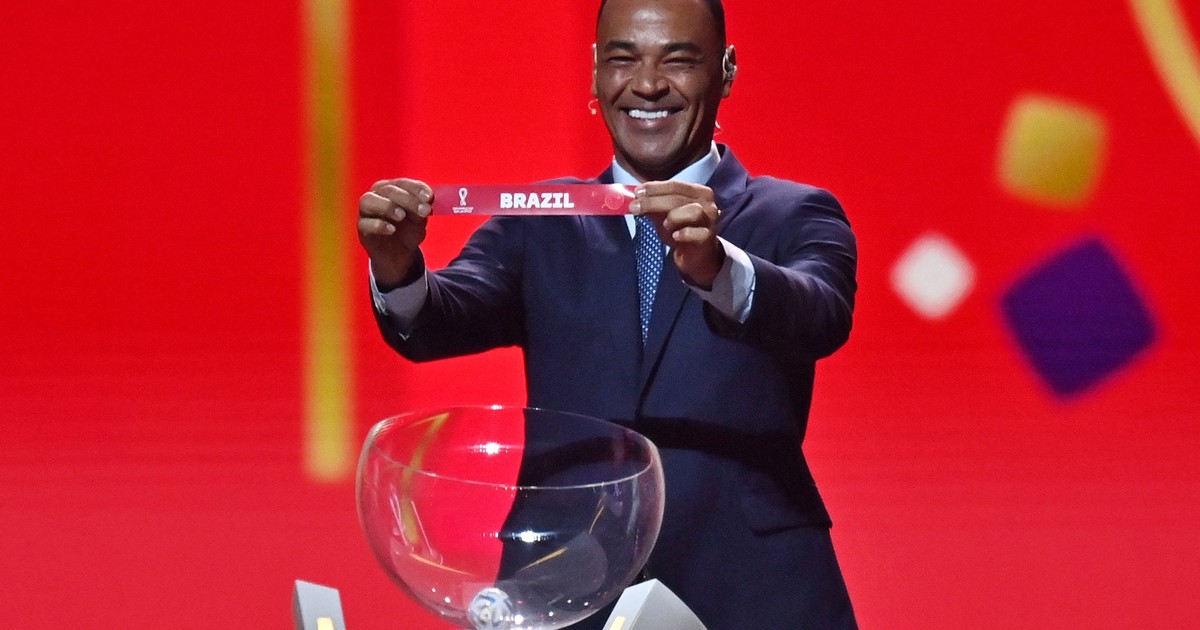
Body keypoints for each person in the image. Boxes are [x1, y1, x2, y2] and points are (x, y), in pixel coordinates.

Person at [356, 0, 858, 627]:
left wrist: (718, 268)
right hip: (567, 587)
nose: (647, 85)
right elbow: (435, 321)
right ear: (595, 71)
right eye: (623, 60)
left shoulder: (794, 213)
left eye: (678, 61)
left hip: (751, 590)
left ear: (726, 71)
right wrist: (397, 266)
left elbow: (821, 313)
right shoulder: (542, 221)